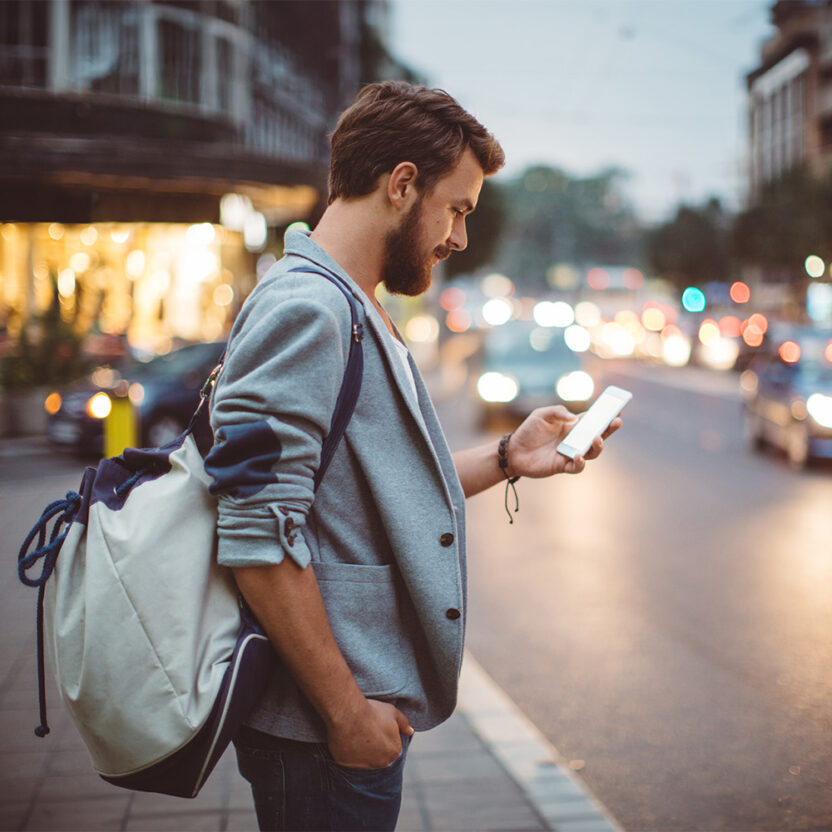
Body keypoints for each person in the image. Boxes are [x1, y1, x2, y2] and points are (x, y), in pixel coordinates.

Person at [207, 81, 621, 832]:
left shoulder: (353, 304)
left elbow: (378, 493)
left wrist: (506, 454)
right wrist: (346, 715)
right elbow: (256, 536)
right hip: (323, 731)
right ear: (402, 185)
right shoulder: (308, 309)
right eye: (458, 208)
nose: (459, 236)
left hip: (341, 722)